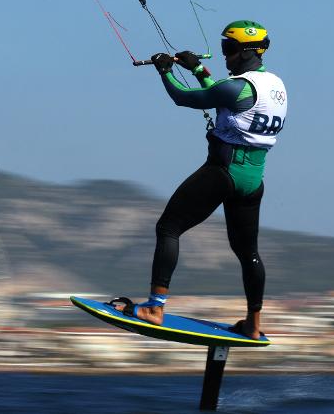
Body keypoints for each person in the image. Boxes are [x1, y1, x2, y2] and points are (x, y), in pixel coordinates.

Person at [116, 20, 287, 340]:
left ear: (245, 52)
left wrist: (164, 70)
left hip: (223, 172)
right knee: (248, 252)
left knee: (168, 228)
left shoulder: (236, 87)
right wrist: (197, 67)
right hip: (253, 180)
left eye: (228, 49)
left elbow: (186, 98)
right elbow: (221, 94)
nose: (224, 55)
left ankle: (155, 307)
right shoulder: (274, 85)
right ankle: (253, 324)